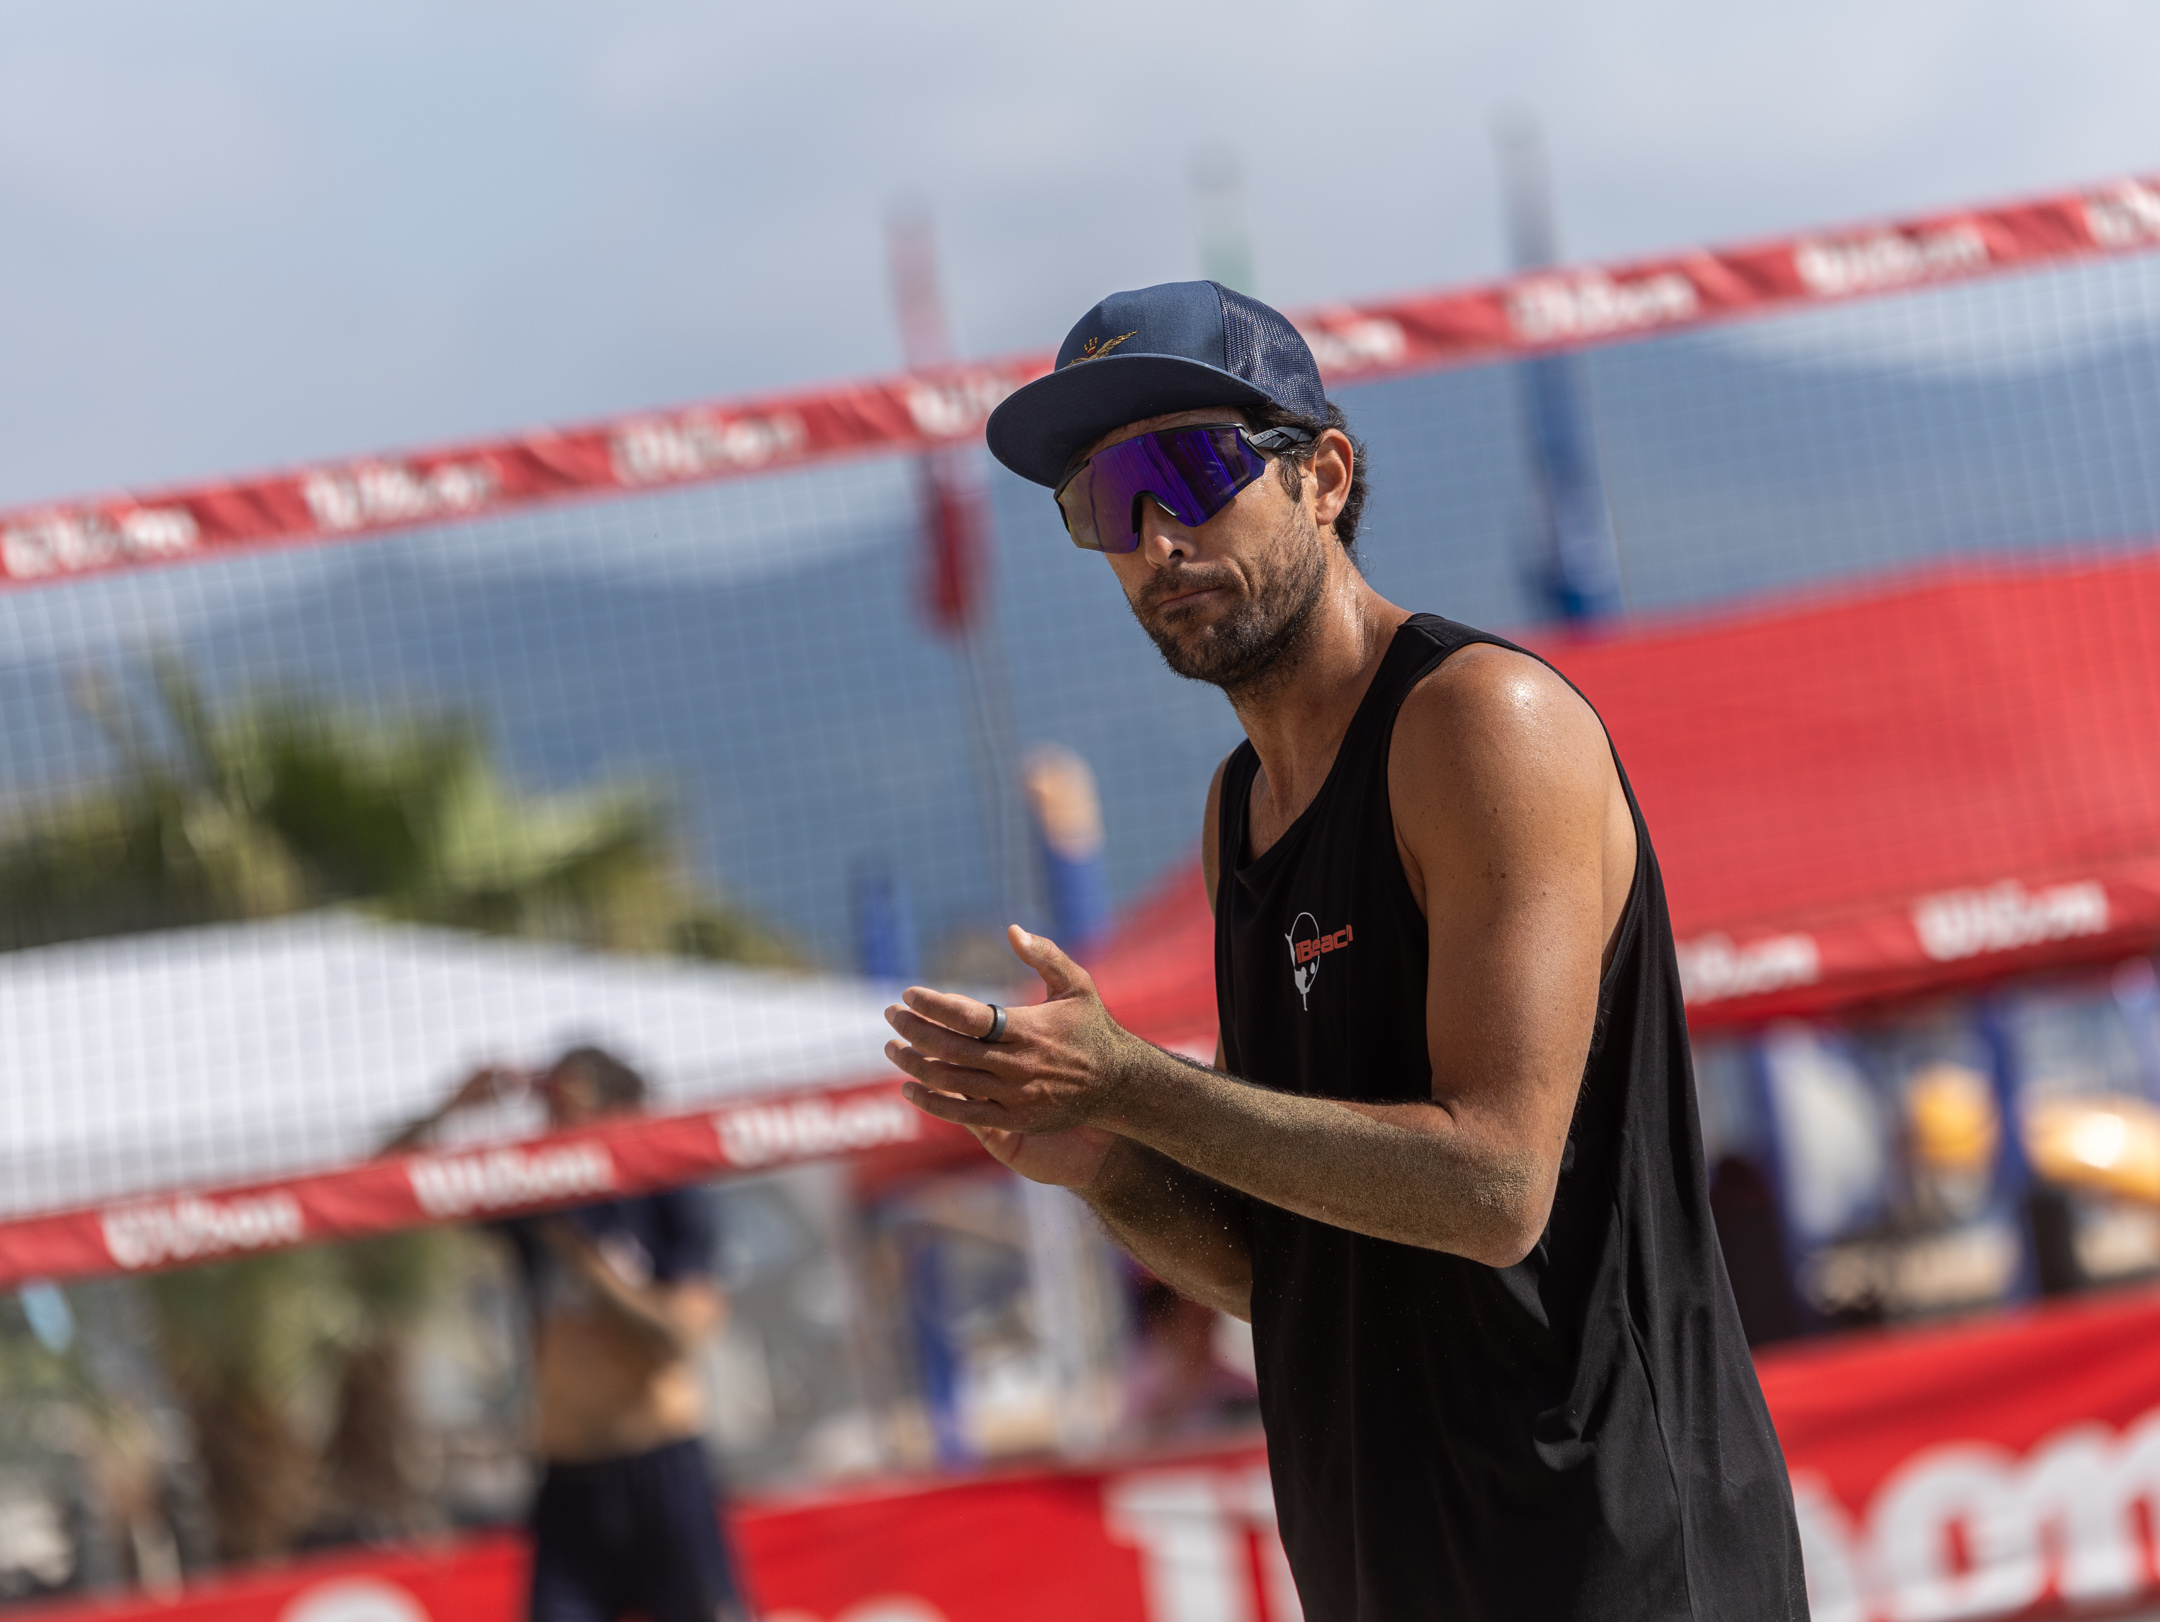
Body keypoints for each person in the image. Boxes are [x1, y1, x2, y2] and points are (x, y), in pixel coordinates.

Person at [881, 282, 1806, 1618]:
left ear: (1322, 475)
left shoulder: (1480, 720)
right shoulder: (1238, 811)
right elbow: (1298, 1274)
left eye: (1188, 472)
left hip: (1613, 1556)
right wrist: (1104, 1160)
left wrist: (1132, 1080)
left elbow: (1494, 1187)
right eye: (1104, 504)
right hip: (1392, 1567)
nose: (1154, 538)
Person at [391, 1047, 747, 1622]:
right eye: (547, 1107)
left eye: (568, 1105)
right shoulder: (537, 1197)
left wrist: (586, 1261)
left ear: (618, 1112)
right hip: (569, 1486)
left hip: (664, 1477)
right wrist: (451, 1109)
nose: (552, 1125)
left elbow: (676, 1339)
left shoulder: (666, 1192)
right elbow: (385, 1182)